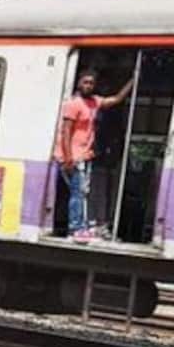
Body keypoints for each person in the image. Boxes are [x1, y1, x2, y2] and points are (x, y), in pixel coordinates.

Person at [54, 68, 135, 239]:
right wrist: (68, 157)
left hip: (85, 155)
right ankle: (75, 228)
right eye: (85, 82)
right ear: (79, 83)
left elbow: (116, 99)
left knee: (83, 191)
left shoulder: (94, 102)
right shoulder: (73, 104)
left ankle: (83, 226)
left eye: (91, 83)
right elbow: (66, 131)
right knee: (78, 192)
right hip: (73, 156)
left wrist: (133, 80)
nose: (88, 85)